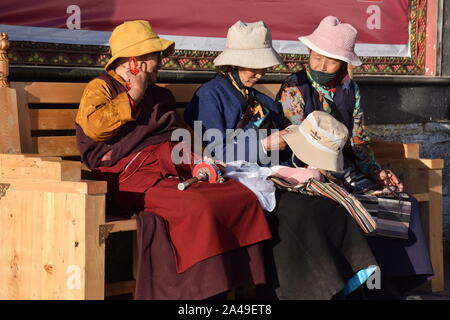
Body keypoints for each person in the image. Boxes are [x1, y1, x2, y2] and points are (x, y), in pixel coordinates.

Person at [74, 20, 273, 300]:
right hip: (127, 181)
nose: (161, 63)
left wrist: (200, 158)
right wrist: (134, 93)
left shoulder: (161, 95)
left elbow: (178, 134)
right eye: (156, 57)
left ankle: (237, 284)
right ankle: (201, 293)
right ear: (136, 62)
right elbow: (95, 128)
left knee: (238, 195)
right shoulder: (101, 87)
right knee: (200, 205)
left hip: (169, 171)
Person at [184, 20, 378, 300]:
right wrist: (265, 143)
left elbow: (287, 151)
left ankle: (342, 287)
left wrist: (303, 160)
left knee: (327, 205)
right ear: (233, 64)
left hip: (269, 175)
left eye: (262, 66)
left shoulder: (262, 101)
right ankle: (296, 291)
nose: (259, 73)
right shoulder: (209, 96)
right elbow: (215, 152)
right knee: (300, 212)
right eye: (252, 66)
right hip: (230, 179)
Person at [276, 16, 433, 295]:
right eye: (317, 57)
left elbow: (358, 140)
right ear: (308, 52)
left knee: (397, 201)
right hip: (310, 168)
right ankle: (355, 284)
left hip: (346, 168)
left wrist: (376, 172)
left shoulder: (351, 89)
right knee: (349, 206)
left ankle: (391, 284)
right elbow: (297, 141)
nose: (321, 65)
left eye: (331, 60)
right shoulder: (293, 87)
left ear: (343, 63)